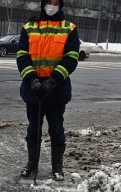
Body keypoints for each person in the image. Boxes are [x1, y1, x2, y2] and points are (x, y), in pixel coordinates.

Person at [17, 0, 80, 181]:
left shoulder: (69, 28)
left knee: (57, 130)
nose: (51, 6)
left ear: (60, 5)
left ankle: (57, 167)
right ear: (43, 3)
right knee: (33, 130)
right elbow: (22, 56)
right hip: (33, 89)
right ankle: (32, 165)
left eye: (55, 2)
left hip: (56, 89)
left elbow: (72, 57)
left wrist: (53, 80)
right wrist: (32, 80)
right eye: (49, 2)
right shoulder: (29, 27)